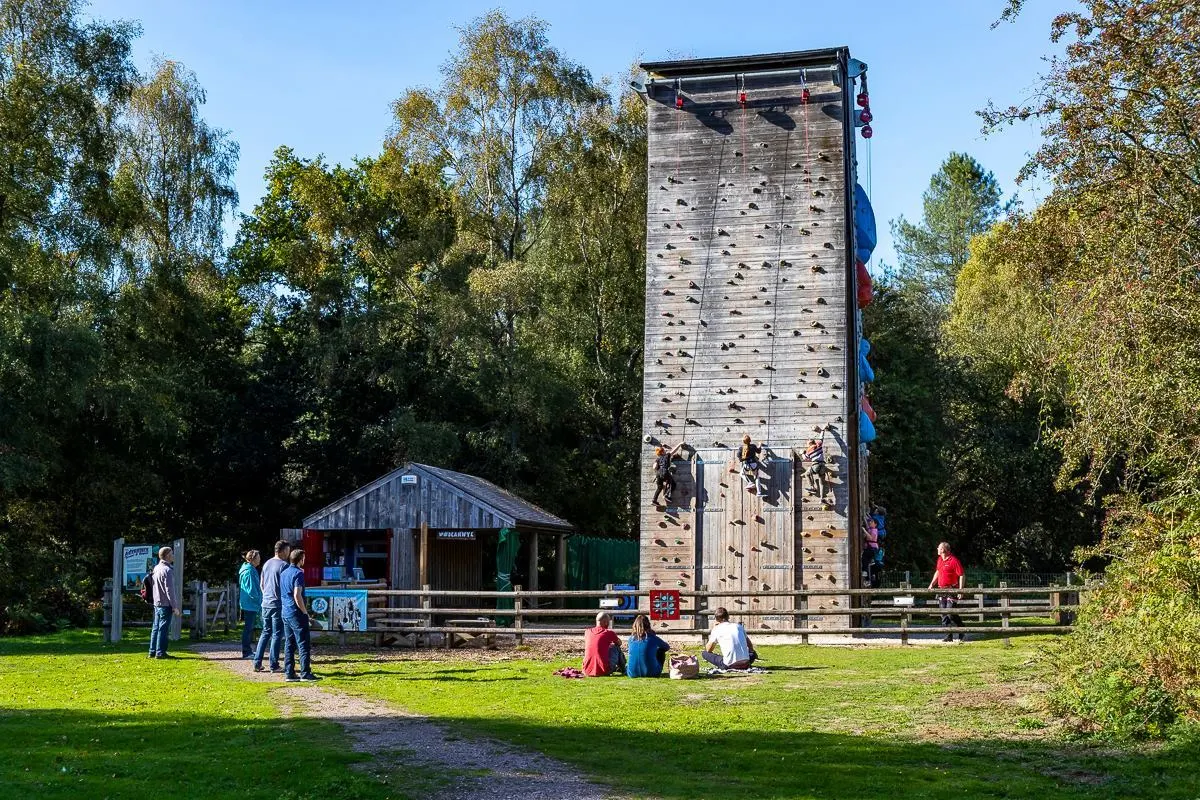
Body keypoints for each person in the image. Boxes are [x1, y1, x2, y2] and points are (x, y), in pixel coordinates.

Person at [280, 549, 319, 682]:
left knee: (289, 643)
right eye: (304, 558)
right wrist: (305, 612)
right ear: (300, 559)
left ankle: (289, 672)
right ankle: (305, 673)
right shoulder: (298, 574)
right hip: (296, 612)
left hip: (285, 611)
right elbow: (297, 595)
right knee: (303, 643)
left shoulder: (284, 572)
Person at [253, 540, 291, 673]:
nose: (289, 552)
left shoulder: (267, 563)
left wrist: (267, 596)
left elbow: (262, 584)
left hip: (266, 603)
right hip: (277, 604)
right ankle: (274, 665)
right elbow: (286, 586)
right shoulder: (284, 565)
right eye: (288, 550)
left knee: (265, 632)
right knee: (276, 635)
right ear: (283, 550)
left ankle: (257, 662)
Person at [928, 541, 966, 642]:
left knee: (950, 612)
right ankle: (948, 635)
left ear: (943, 550)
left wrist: (960, 590)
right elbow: (938, 571)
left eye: (939, 548)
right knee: (943, 613)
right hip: (941, 589)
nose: (937, 549)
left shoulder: (954, 560)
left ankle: (961, 628)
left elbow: (961, 575)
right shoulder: (940, 560)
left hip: (952, 589)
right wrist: (932, 584)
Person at [148, 546, 181, 659]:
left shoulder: (156, 568)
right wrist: (174, 606)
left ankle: (152, 651)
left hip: (157, 602)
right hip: (165, 603)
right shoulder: (167, 570)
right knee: (163, 628)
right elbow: (169, 590)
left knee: (156, 627)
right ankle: (160, 652)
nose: (173, 555)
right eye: (172, 553)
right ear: (167, 555)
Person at [582, 611, 625, 677]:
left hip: (586, 670)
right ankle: (623, 669)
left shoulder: (587, 632)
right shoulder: (609, 633)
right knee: (616, 647)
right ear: (606, 622)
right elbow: (619, 643)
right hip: (604, 670)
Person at [238, 550, 263, 658]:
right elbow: (251, 590)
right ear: (253, 559)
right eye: (258, 557)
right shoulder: (249, 571)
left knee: (249, 628)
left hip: (249, 603)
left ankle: (248, 651)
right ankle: (246, 652)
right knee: (248, 628)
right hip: (250, 603)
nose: (260, 559)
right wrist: (260, 600)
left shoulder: (249, 569)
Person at [651, 441, 684, 506]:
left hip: (658, 473)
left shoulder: (657, 459)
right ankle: (666, 495)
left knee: (659, 487)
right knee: (673, 484)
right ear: (663, 452)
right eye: (664, 450)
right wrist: (680, 444)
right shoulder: (667, 456)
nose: (665, 451)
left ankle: (654, 500)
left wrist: (658, 472)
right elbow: (674, 450)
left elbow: (654, 467)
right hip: (665, 472)